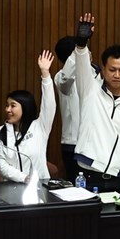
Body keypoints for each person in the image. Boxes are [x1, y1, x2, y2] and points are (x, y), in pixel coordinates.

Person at [72, 13, 120, 194]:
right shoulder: (90, 89)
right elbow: (82, 65)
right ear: (103, 69)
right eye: (112, 70)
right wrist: (81, 45)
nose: (117, 75)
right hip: (88, 175)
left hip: (119, 178)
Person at [0, 50, 56, 183]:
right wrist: (25, 178)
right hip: (11, 188)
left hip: (40, 186)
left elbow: (49, 103)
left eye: (13, 105)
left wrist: (45, 74)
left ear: (25, 107)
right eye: (7, 105)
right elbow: (2, 165)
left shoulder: (39, 127)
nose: (8, 110)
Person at [53, 36, 88, 182]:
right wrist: (78, 52)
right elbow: (66, 78)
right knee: (78, 187)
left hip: (94, 141)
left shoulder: (93, 73)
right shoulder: (61, 78)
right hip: (73, 144)